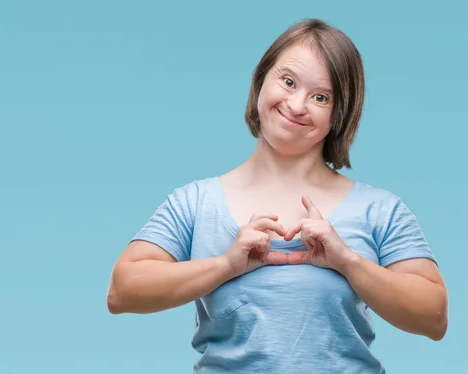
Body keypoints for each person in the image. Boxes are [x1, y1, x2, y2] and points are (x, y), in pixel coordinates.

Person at [106, 18, 448, 373]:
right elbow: (122, 291)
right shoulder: (194, 203)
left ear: (339, 115)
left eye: (320, 97)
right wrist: (225, 266)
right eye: (288, 81)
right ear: (260, 82)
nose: (297, 105)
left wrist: (347, 262)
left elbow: (434, 316)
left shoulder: (381, 210)